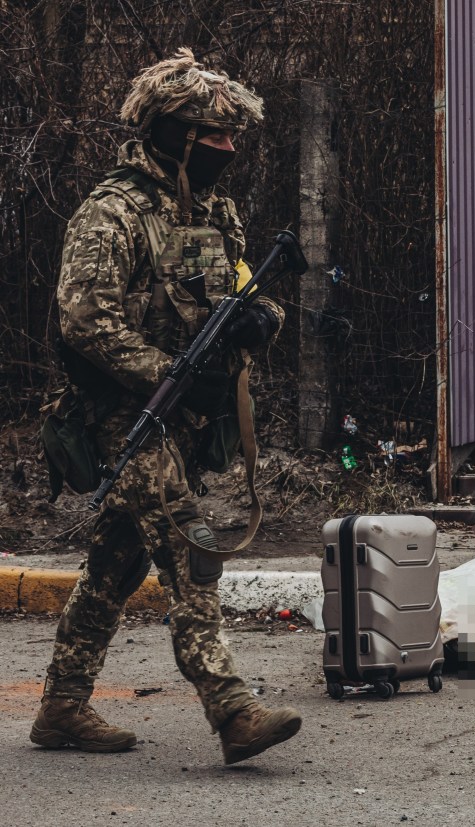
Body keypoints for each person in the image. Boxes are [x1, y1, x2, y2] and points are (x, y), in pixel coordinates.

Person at [30, 48, 301, 764]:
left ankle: (60, 706)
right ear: (177, 135)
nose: (230, 149)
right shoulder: (113, 211)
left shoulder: (202, 211)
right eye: (217, 136)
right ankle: (231, 707)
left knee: (117, 564)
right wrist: (162, 373)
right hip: (118, 412)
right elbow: (84, 317)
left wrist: (256, 318)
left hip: (180, 415)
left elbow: (222, 294)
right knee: (189, 544)